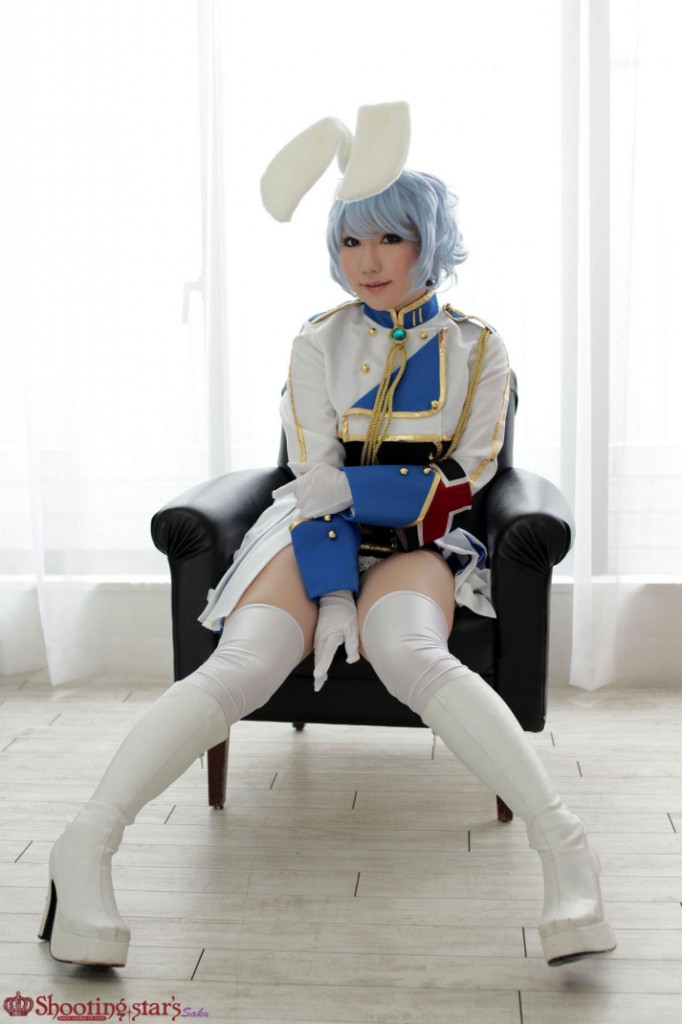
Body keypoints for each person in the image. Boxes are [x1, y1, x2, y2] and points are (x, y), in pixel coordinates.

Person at [38, 155, 616, 969]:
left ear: (429, 242)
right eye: (349, 241)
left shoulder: (480, 347)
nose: (367, 261)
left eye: (390, 238)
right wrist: (334, 589)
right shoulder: (317, 340)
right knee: (246, 661)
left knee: (409, 650)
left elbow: (464, 481)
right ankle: (83, 848)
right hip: (312, 532)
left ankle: (567, 853)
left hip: (421, 541)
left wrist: (360, 491)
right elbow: (313, 483)